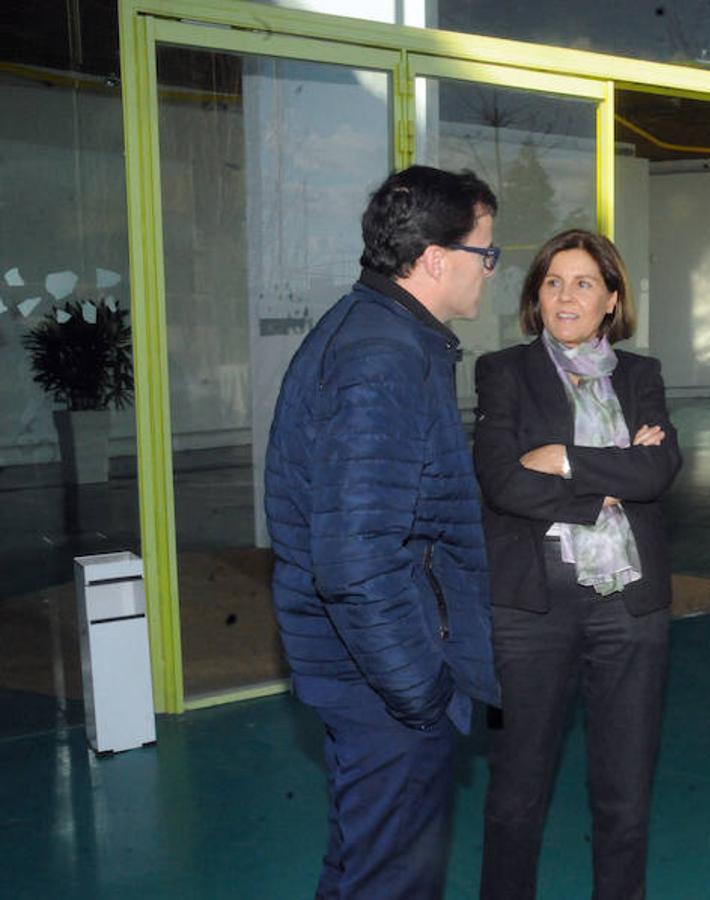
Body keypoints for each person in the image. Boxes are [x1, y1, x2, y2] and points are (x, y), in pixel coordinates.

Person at [264, 165, 501, 898]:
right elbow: (355, 558)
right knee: (391, 878)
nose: (489, 272)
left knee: (362, 865)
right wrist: (419, 691)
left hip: (363, 673)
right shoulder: (383, 357)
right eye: (484, 254)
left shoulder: (381, 332)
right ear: (435, 259)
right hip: (380, 682)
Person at [473, 229, 682, 900]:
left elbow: (659, 471)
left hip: (629, 607)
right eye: (553, 282)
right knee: (516, 792)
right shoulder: (502, 370)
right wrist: (614, 474)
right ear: (536, 295)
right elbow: (502, 482)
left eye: (584, 282)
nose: (566, 296)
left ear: (611, 298)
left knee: (624, 797)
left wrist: (562, 459)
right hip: (531, 608)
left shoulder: (641, 375)